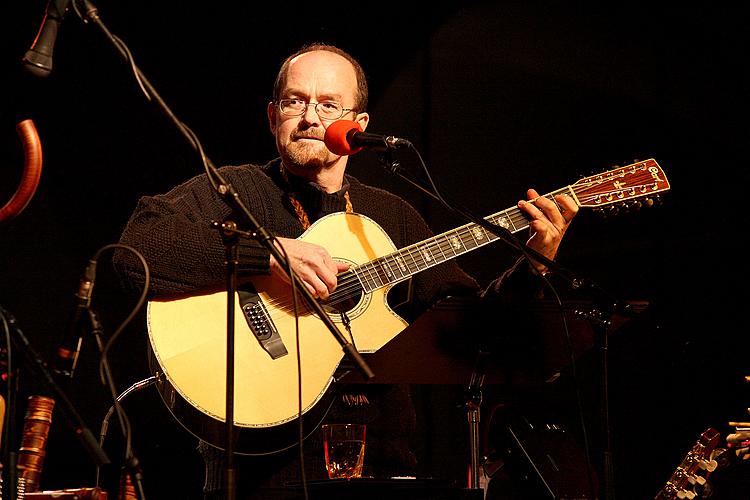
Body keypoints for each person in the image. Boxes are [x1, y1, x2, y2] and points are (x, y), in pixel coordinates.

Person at [113, 43, 578, 500]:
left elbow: (472, 332)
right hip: (259, 473)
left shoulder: (391, 216)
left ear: (358, 125)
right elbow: (136, 249)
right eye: (296, 101)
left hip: (383, 466)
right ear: (273, 116)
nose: (311, 117)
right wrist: (268, 254)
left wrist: (535, 263)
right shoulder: (235, 189)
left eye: (329, 104)